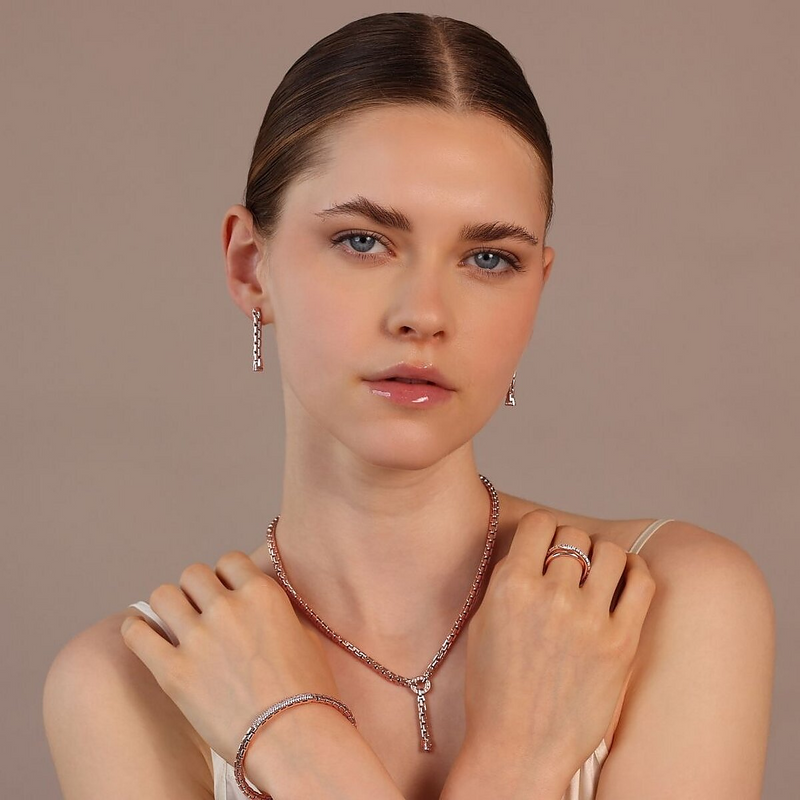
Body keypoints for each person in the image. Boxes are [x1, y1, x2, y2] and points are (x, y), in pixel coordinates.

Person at [43, 11, 775, 800]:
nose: (425, 313)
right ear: (251, 266)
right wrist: (516, 760)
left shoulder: (670, 600)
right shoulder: (130, 683)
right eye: (363, 240)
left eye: (489, 258)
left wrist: (299, 746)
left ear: (538, 290)